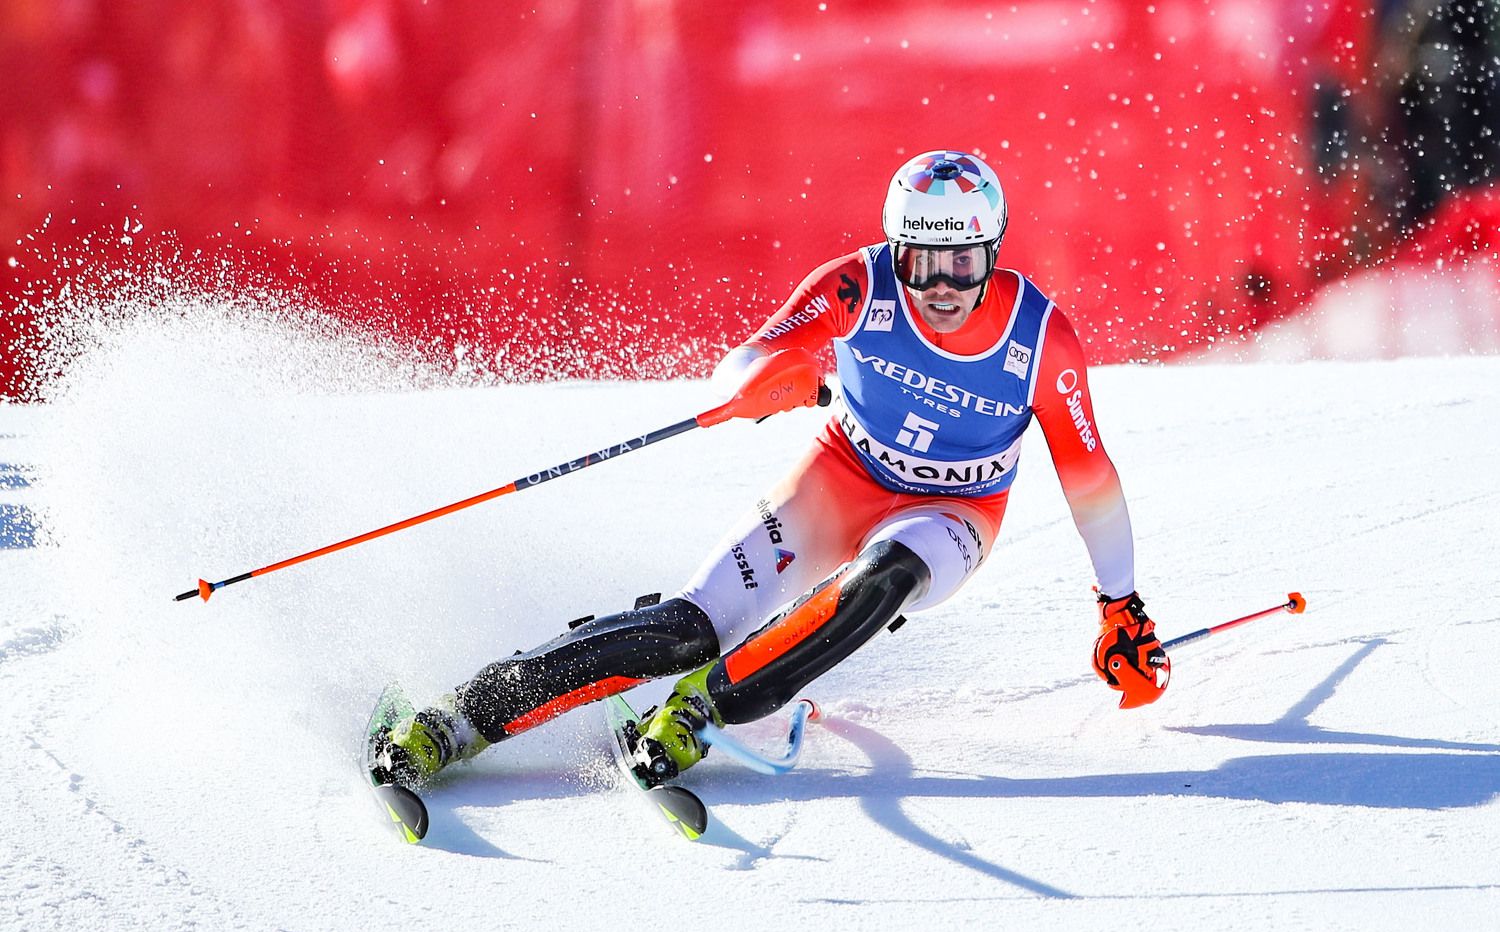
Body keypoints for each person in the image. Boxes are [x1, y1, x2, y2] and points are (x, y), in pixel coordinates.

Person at [370, 149, 1171, 790]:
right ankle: (453, 720)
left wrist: (1120, 606)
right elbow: (753, 354)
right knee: (689, 626)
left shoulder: (1041, 338)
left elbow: (1089, 479)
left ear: (991, 253)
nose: (940, 288)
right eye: (921, 262)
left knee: (885, 576)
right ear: (897, 249)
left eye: (962, 265)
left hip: (955, 512)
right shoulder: (859, 285)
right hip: (840, 476)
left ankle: (699, 714)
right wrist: (764, 381)